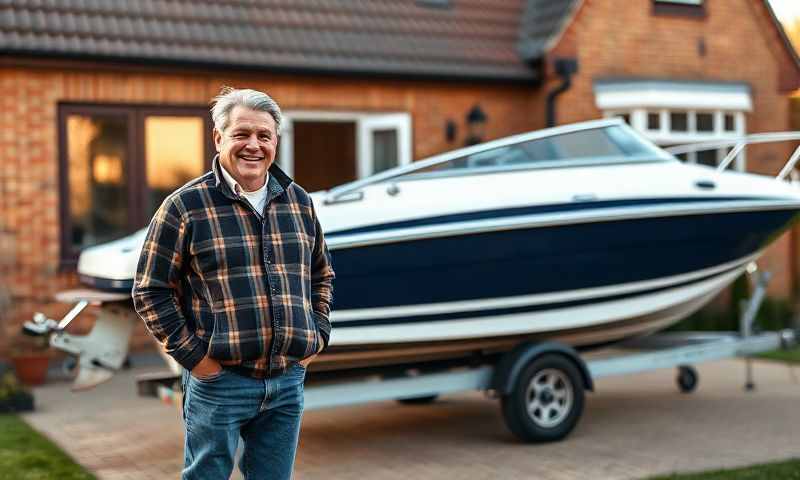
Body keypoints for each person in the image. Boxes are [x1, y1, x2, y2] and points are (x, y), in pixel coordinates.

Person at [132, 87, 334, 480]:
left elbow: (321, 274)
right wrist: (197, 361)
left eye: (264, 135)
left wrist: (317, 335)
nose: (253, 145)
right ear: (219, 138)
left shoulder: (299, 202)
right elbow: (150, 291)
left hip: (287, 381)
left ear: (276, 141)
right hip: (219, 383)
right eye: (242, 134)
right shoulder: (185, 206)